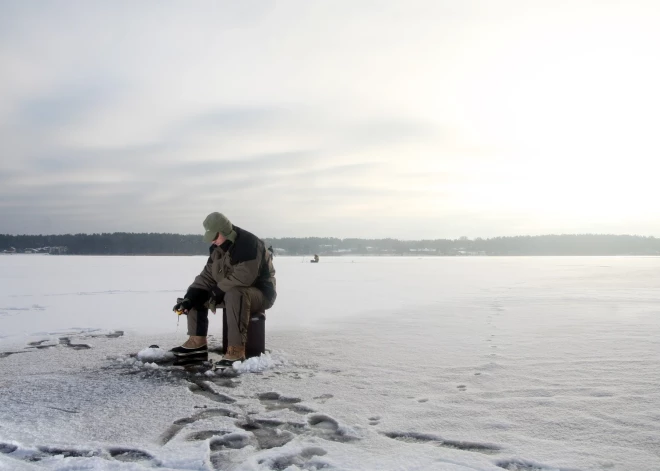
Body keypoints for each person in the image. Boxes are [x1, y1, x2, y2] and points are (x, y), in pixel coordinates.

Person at [171, 212, 276, 367]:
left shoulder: (248, 244)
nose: (213, 241)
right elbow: (207, 276)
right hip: (230, 292)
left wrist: (216, 291)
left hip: (260, 293)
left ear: (224, 231)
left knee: (235, 293)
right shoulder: (217, 249)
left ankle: (236, 350)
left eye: (215, 236)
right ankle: (197, 342)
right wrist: (190, 296)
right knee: (198, 295)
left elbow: (245, 277)